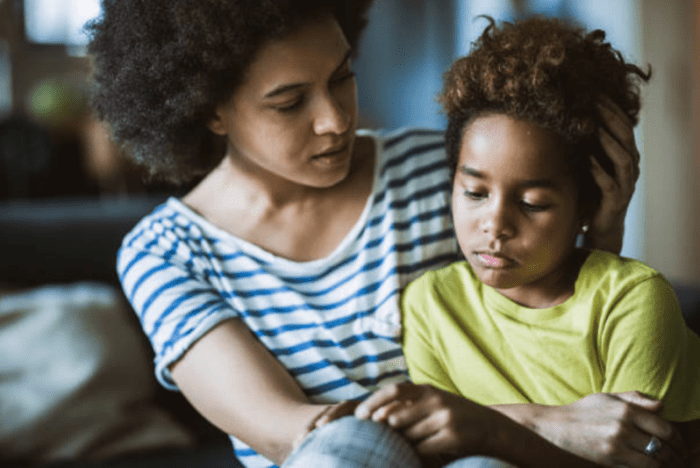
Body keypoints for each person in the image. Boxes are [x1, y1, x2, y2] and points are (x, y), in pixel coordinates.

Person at [87, 2, 669, 467]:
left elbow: (548, 323)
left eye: (342, 77)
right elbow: (296, 436)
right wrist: (534, 424)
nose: (336, 119)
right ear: (209, 110)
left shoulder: (441, 173)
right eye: (289, 103)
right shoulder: (166, 253)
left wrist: (597, 230)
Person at [354, 16, 700, 468]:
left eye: (534, 203)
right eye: (475, 193)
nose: (494, 225)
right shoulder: (429, 305)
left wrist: (489, 427)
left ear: (587, 203)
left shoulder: (632, 302)